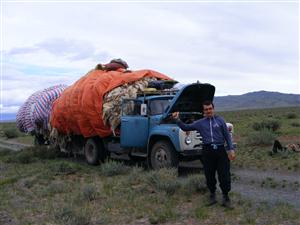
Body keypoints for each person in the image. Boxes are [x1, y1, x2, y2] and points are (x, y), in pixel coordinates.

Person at [172, 101, 236, 209]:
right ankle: (212, 195)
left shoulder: (220, 120)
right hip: (207, 151)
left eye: (210, 108)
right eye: (206, 109)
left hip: (220, 150)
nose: (208, 111)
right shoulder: (200, 123)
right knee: (209, 175)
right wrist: (177, 119)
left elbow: (227, 137)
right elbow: (186, 127)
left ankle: (226, 197)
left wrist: (231, 150)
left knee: (224, 174)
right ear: (203, 111)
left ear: (213, 109)